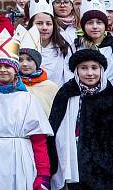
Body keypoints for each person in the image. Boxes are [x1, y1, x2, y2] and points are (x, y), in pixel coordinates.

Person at [0, 29, 52, 190]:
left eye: (7, 66)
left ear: (15, 69)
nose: (3, 70)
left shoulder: (27, 99)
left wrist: (43, 174)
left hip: (20, 157)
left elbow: (38, 140)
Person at [48, 48, 113, 190]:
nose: (90, 73)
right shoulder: (66, 93)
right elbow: (54, 129)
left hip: (106, 169)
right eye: (84, 68)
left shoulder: (109, 95)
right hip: (75, 166)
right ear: (76, 71)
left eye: (94, 68)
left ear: (101, 70)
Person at [27, 0, 74, 86]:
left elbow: (69, 77)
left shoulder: (63, 48)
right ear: (31, 25)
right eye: (39, 23)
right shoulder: (23, 48)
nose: (44, 28)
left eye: (48, 24)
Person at [17, 25, 60, 116]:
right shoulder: (14, 86)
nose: (24, 64)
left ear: (37, 62)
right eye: (20, 60)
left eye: (29, 59)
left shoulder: (51, 87)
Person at [76, 0, 113, 82]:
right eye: (90, 23)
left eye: (99, 22)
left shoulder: (111, 46)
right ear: (83, 26)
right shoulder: (76, 46)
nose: (95, 26)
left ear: (105, 25)